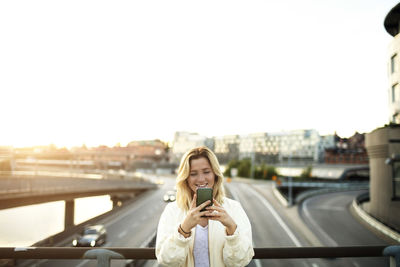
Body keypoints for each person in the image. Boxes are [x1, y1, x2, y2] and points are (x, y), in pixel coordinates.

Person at [156, 146, 254, 267]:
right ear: (185, 178)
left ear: (215, 174)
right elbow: (166, 260)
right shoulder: (172, 211)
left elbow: (241, 261)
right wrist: (184, 229)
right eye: (193, 174)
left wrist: (231, 227)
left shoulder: (233, 208)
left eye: (206, 172)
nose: (201, 179)